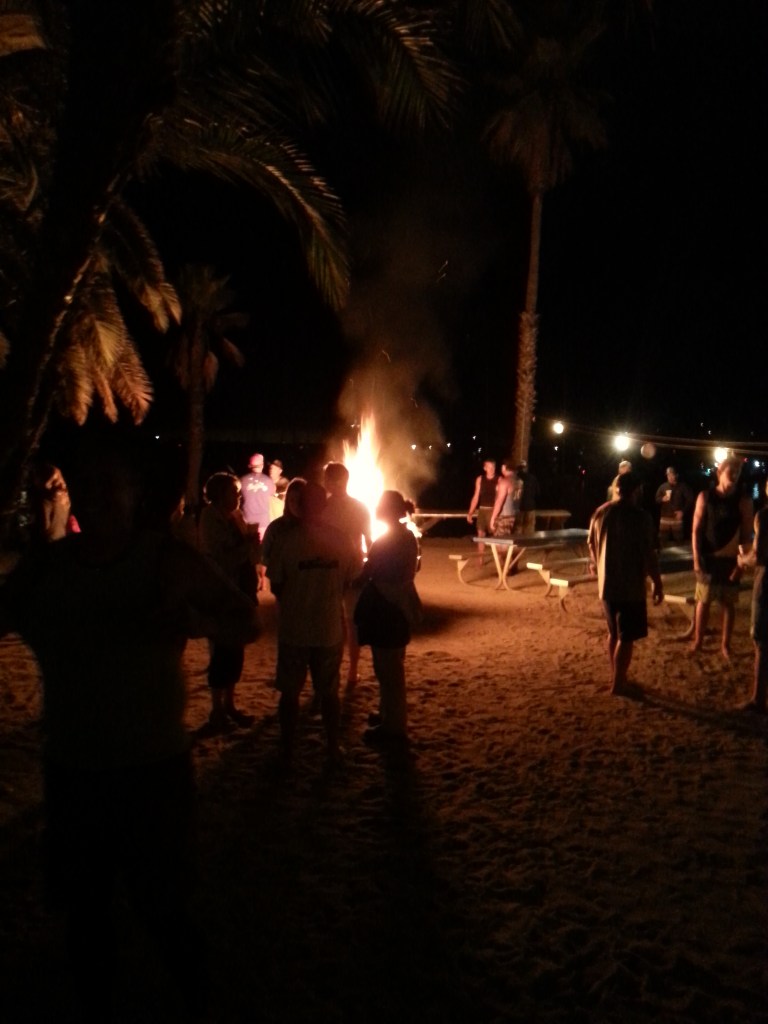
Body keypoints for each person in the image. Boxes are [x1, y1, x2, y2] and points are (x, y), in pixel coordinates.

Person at [0, 443, 260, 1023]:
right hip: (75, 771)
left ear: (132, 496)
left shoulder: (164, 561)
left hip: (153, 770)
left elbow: (245, 618)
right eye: (86, 489)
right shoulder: (46, 569)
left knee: (164, 908)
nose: (97, 500)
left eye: (109, 487)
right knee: (85, 914)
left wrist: (195, 621)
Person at [266, 480, 361, 763]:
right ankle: (332, 747)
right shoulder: (341, 539)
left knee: (290, 693)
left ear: (299, 504)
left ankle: (287, 748)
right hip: (328, 628)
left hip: (294, 629)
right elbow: (352, 576)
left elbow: (276, 584)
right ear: (324, 505)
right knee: (329, 692)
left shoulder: (286, 540)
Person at [588, 472, 664, 696]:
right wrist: (657, 582)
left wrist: (598, 565)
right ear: (637, 490)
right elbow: (649, 553)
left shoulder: (600, 512)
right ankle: (619, 684)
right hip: (630, 586)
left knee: (613, 633)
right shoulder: (640, 517)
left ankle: (617, 677)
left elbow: (591, 544)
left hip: (606, 585)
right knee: (626, 637)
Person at [355, 490, 421, 746]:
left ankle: (394, 727)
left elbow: (368, 572)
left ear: (388, 510)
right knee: (392, 667)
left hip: (385, 609)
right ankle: (387, 714)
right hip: (400, 607)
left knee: (388, 671)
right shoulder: (408, 536)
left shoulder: (386, 541)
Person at [198, 471, 260, 732]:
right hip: (221, 592)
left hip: (240, 591)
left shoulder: (235, 517)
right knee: (221, 653)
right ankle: (217, 711)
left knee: (235, 651)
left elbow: (248, 555)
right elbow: (222, 558)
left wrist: (252, 545)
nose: (237, 496)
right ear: (218, 494)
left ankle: (230, 705)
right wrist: (247, 545)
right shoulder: (210, 519)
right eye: (232, 492)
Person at [690, 456, 753, 660]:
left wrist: (741, 565)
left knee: (728, 604)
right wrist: (696, 559)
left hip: (730, 560)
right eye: (730, 471)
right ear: (719, 473)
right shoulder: (705, 497)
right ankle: (698, 641)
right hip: (708, 559)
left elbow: (746, 536)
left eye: (738, 472)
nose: (734, 475)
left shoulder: (743, 501)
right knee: (704, 601)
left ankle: (725, 645)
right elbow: (696, 530)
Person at [322, 461, 372, 686]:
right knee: (351, 623)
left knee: (335, 622)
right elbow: (369, 541)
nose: (326, 483)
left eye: (328, 478)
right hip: (351, 570)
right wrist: (369, 567)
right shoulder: (359, 507)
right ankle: (352, 670)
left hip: (333, 570)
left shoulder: (323, 507)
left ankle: (341, 669)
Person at [737, 486, 768, 713]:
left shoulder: (764, 516)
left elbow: (758, 555)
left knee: (762, 642)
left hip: (767, 584)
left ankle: (758, 699)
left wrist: (742, 560)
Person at [240, 452, 276, 589]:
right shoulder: (268, 481)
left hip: (248, 522)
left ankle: (255, 580)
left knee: (252, 553)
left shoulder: (242, 480)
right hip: (264, 522)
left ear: (250, 465)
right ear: (262, 465)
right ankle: (263, 581)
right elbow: (272, 496)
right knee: (263, 553)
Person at [467, 459, 498, 563]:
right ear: (485, 468)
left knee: (496, 536)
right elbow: (476, 496)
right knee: (480, 535)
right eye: (489, 467)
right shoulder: (480, 479)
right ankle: (480, 559)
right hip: (482, 510)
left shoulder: (499, 479)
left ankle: (499, 559)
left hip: (493, 510)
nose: (491, 469)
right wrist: (470, 512)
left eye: (493, 467)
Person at [655, 466, 694, 545]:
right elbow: (656, 498)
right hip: (664, 518)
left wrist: (682, 511)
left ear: (676, 475)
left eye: (672, 475)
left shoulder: (683, 487)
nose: (670, 477)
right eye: (668, 475)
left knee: (679, 541)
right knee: (662, 540)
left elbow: (690, 499)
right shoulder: (663, 486)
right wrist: (662, 499)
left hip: (677, 518)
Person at [489, 462, 517, 538]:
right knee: (513, 540)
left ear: (504, 467)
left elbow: (499, 501)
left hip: (504, 516)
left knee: (500, 541)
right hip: (516, 515)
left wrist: (493, 518)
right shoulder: (519, 481)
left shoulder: (504, 482)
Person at [515, 461, 540, 536]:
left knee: (518, 528)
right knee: (529, 529)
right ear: (526, 468)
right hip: (530, 506)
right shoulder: (533, 478)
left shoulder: (515, 478)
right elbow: (537, 493)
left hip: (518, 507)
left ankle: (518, 542)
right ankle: (528, 541)